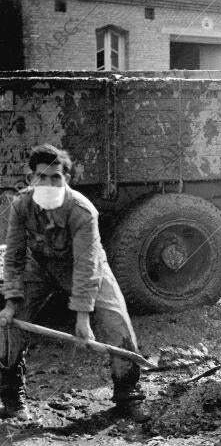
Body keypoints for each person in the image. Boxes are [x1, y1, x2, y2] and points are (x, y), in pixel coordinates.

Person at [0, 144, 149, 422]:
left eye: (56, 177)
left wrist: (82, 318)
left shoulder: (82, 210)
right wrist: (9, 304)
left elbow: (86, 264)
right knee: (10, 326)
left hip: (85, 265)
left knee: (117, 320)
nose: (48, 183)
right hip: (40, 266)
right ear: (32, 178)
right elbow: (14, 258)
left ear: (66, 178)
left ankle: (128, 395)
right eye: (41, 177)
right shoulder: (21, 205)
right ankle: (11, 397)